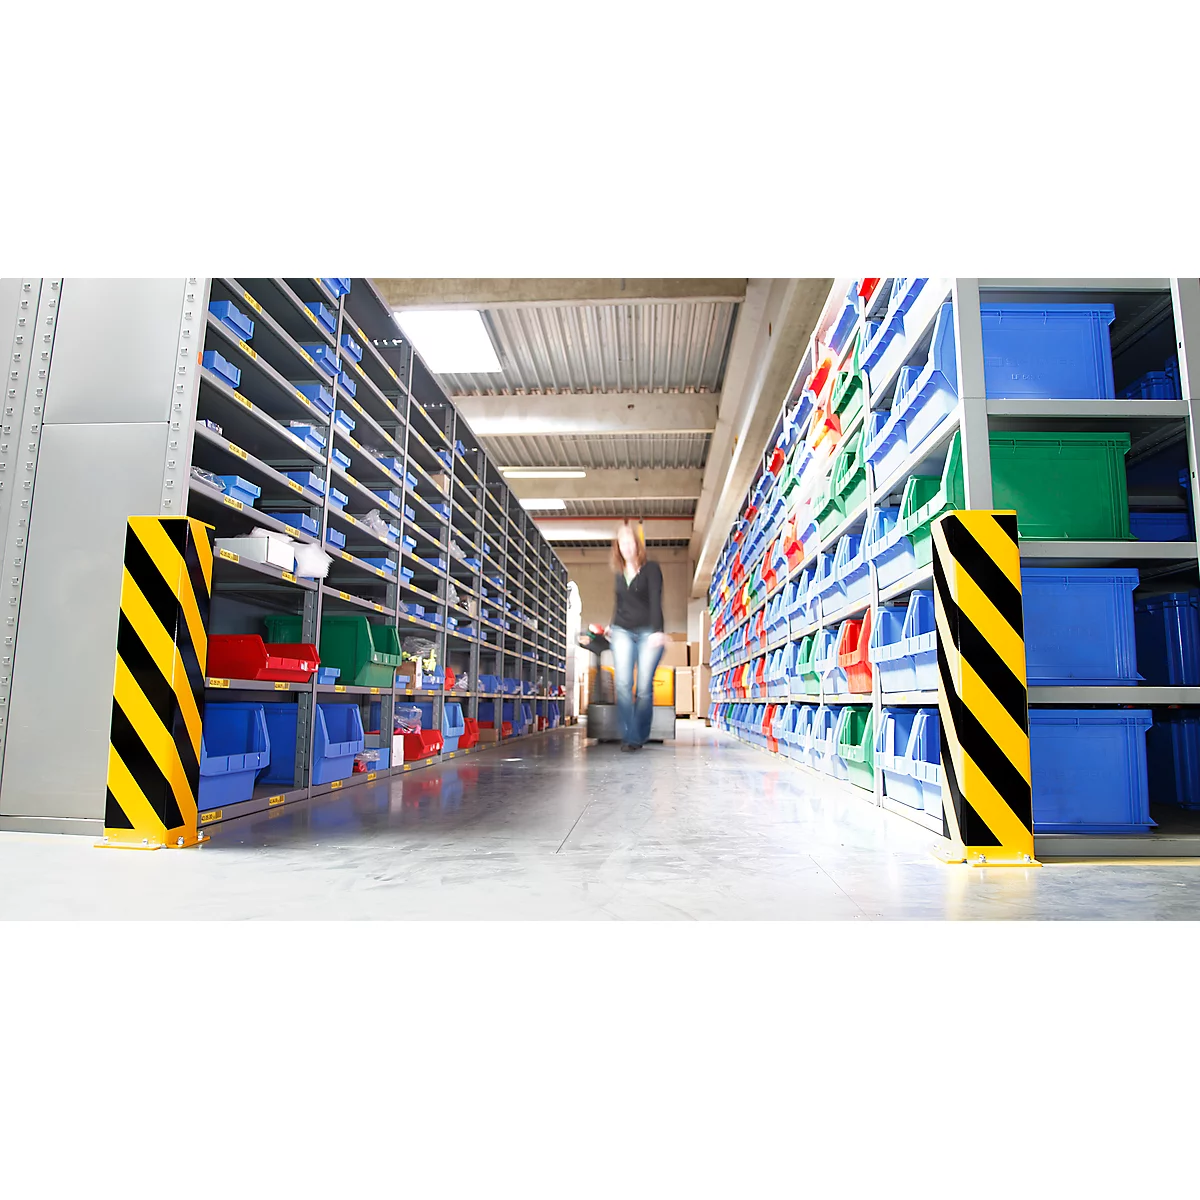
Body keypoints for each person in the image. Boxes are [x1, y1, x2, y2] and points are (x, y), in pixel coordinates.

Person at [605, 521, 666, 752]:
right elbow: (619, 603)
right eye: (622, 543)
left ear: (637, 544)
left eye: (630, 542)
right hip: (622, 630)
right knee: (622, 683)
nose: (627, 547)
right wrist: (611, 626)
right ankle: (629, 735)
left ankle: (638, 736)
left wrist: (658, 631)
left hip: (647, 630)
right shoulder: (619, 574)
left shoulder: (651, 569)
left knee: (643, 688)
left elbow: (655, 600)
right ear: (618, 547)